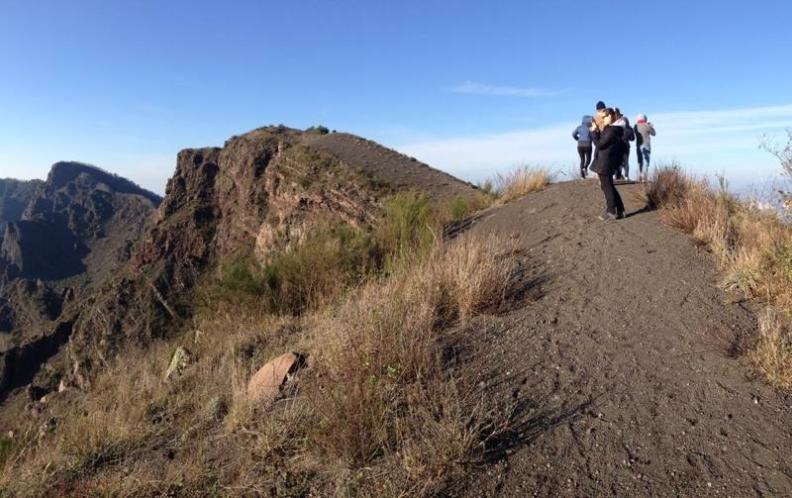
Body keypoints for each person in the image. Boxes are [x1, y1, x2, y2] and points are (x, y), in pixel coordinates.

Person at [590, 108, 625, 220]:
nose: (603, 119)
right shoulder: (611, 130)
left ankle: (611, 212)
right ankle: (620, 210)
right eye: (603, 117)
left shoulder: (611, 131)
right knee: (610, 186)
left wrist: (594, 132)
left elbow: (599, 144)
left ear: (612, 116)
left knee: (607, 187)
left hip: (604, 162)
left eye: (606, 117)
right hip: (607, 161)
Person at [612, 108, 635, 180]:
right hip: (626, 146)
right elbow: (632, 138)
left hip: (617, 145)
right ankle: (626, 176)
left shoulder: (616, 126)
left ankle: (615, 175)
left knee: (616, 160)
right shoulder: (629, 128)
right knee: (626, 161)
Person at [634, 114, 656, 182]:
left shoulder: (635, 126)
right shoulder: (647, 125)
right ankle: (644, 177)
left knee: (639, 161)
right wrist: (651, 126)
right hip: (646, 145)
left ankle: (639, 176)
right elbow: (654, 133)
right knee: (646, 162)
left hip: (638, 146)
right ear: (645, 118)